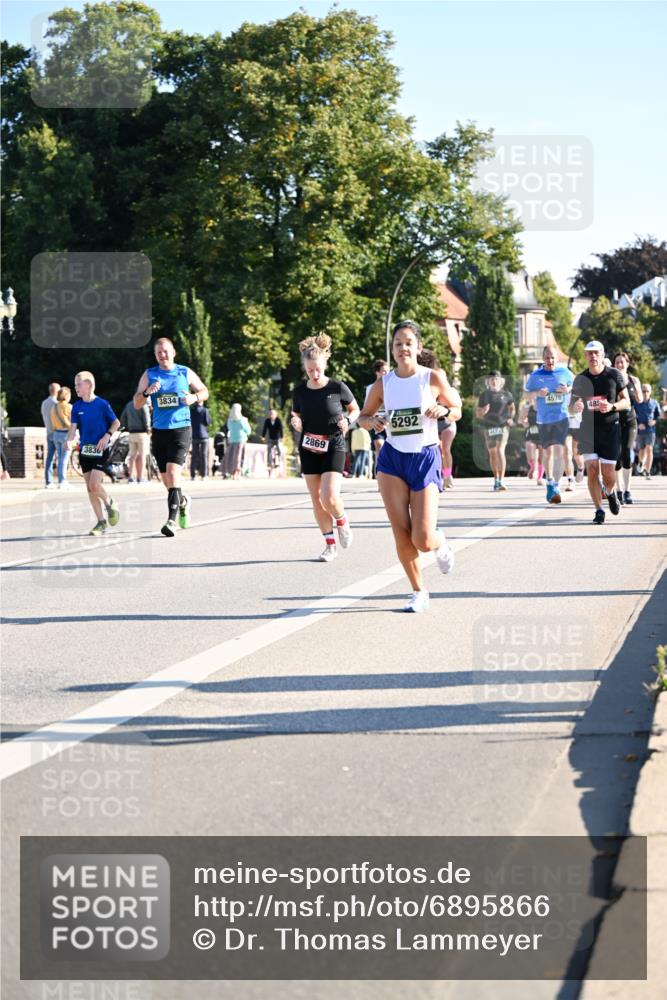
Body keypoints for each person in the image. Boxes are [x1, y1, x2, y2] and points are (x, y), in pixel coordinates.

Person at [358, 320, 461, 613]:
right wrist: (373, 421)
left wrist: (444, 410)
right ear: (392, 349)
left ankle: (441, 543)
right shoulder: (383, 384)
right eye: (397, 344)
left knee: (423, 538)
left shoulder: (432, 378)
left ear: (418, 347)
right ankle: (418, 591)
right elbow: (363, 417)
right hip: (392, 459)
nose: (403, 348)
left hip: (425, 457)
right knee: (401, 532)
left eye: (408, 343)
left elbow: (457, 409)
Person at [290, 333, 359, 562]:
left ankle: (342, 519)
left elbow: (355, 410)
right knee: (316, 499)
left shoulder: (337, 387)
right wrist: (296, 422)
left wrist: (348, 421)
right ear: (305, 369)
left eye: (318, 369)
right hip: (309, 447)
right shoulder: (299, 392)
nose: (315, 374)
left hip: (334, 444)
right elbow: (296, 414)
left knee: (328, 496)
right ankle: (329, 545)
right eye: (310, 371)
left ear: (325, 363)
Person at [133, 337, 208, 536]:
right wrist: (148, 393)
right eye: (159, 353)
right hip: (159, 431)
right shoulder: (149, 375)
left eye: (165, 351)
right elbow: (137, 403)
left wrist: (194, 397)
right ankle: (182, 502)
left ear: (173, 352)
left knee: (174, 474)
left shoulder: (184, 372)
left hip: (181, 429)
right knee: (167, 480)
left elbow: (204, 391)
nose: (162, 355)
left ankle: (171, 521)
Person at [569, 340, 630, 525]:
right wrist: (576, 406)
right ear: (585, 356)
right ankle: (598, 510)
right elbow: (571, 406)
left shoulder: (614, 375)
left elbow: (626, 401)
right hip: (588, 431)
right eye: (590, 353)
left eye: (596, 353)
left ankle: (610, 493)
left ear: (602, 355)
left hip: (611, 429)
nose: (593, 356)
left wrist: (612, 406)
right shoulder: (580, 379)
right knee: (593, 470)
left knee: (609, 473)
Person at [65, 372, 120, 535]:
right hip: (85, 451)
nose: (76, 388)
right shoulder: (77, 406)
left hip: (101, 450)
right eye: (75, 385)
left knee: (94, 484)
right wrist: (69, 440)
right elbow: (73, 429)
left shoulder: (102, 404)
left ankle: (110, 502)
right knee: (90, 489)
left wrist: (107, 435)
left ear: (89, 385)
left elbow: (116, 422)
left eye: (78, 384)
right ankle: (101, 522)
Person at [523, 347, 574, 504]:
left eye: (552, 358)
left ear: (556, 359)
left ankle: (557, 485)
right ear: (543, 358)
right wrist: (537, 394)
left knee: (560, 450)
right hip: (544, 419)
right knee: (548, 453)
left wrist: (567, 389)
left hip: (562, 417)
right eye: (547, 358)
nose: (550, 361)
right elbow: (525, 394)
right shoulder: (535, 376)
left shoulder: (565, 373)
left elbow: (576, 386)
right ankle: (550, 481)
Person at [475, 371, 515, 491]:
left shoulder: (507, 394)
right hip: (489, 427)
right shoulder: (484, 395)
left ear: (500, 380)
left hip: (502, 425)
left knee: (500, 450)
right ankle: (496, 479)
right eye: (491, 379)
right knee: (492, 452)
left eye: (496, 378)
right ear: (488, 381)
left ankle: (502, 480)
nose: (494, 380)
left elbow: (512, 408)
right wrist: (483, 411)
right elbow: (478, 413)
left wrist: (510, 418)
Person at [612, 352, 641, 504]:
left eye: (622, 362)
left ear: (627, 364)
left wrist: (636, 389)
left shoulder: (633, 379)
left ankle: (627, 490)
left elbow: (640, 399)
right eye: (617, 362)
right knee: (616, 456)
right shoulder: (611, 380)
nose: (620, 365)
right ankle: (618, 490)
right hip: (615, 421)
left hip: (630, 421)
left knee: (627, 452)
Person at [364, 359, 389, 477]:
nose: (386, 373)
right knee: (380, 447)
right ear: (377, 373)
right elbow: (366, 409)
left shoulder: (392, 385)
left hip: (389, 421)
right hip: (376, 420)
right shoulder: (370, 388)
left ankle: (389, 476)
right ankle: (380, 477)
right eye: (384, 371)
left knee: (389, 450)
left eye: (388, 371)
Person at [120, 396, 151, 483]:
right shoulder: (143, 404)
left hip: (131, 433)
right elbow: (146, 418)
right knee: (142, 456)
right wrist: (148, 428)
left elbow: (123, 418)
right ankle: (140, 477)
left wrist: (126, 426)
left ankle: (131, 477)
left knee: (132, 456)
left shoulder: (129, 404)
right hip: (142, 433)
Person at [634, 383, 661, 480]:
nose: (645, 393)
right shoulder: (636, 403)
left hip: (650, 430)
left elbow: (658, 415)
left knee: (649, 449)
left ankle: (648, 471)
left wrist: (654, 421)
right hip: (640, 430)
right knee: (642, 450)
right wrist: (638, 423)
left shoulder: (654, 403)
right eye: (643, 391)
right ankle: (641, 463)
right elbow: (632, 416)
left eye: (647, 391)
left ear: (650, 392)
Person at [51, 386, 72, 488]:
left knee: (60, 458)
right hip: (65, 435)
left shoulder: (54, 407)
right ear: (67, 396)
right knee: (64, 459)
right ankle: (62, 481)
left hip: (56, 434)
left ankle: (60, 480)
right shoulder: (68, 407)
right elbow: (73, 423)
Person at [40, 382, 60, 489]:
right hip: (57, 432)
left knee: (50, 458)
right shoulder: (56, 404)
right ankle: (62, 480)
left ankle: (48, 481)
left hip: (48, 432)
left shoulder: (44, 403)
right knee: (61, 457)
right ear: (57, 391)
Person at [225, 404, 251, 479]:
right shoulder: (242, 420)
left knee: (232, 456)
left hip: (232, 439)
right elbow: (248, 431)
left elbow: (229, 428)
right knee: (239, 456)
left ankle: (232, 472)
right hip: (241, 439)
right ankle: (237, 472)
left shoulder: (229, 420)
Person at [190, 400, 211, 480]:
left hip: (194, 435)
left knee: (194, 456)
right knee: (204, 456)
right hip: (204, 436)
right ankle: (204, 475)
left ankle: (192, 475)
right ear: (202, 402)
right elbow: (208, 422)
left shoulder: (191, 410)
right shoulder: (205, 410)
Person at [262, 409, 284, 476]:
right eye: (270, 414)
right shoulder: (267, 421)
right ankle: (270, 463)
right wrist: (263, 436)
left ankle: (280, 461)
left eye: (272, 414)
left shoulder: (278, 420)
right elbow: (265, 428)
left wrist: (282, 437)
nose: (271, 415)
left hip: (277, 438)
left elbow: (281, 429)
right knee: (269, 450)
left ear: (275, 415)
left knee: (279, 449)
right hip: (271, 438)